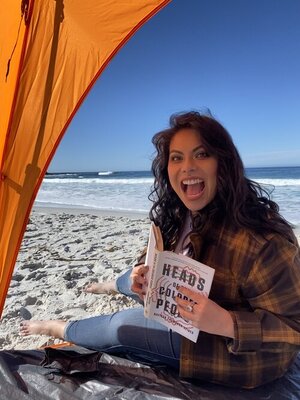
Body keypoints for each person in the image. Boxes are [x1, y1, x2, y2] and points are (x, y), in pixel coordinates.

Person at [20, 111, 300, 389]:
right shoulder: (180, 210)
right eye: (177, 157)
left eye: (201, 154)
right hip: (175, 303)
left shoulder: (264, 240)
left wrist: (226, 323)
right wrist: (142, 272)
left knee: (118, 327)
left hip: (230, 350)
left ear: (223, 163)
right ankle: (113, 286)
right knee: (132, 277)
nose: (187, 167)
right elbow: (154, 253)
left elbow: (293, 329)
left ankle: (56, 327)